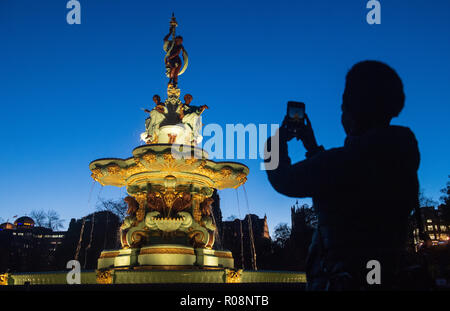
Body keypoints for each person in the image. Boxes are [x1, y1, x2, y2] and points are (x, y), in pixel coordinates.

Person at [265, 61, 420, 290]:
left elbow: (283, 179)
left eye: (343, 107)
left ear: (351, 112)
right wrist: (312, 147)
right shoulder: (400, 158)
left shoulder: (346, 161)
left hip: (343, 281)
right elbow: (337, 180)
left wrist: (276, 141)